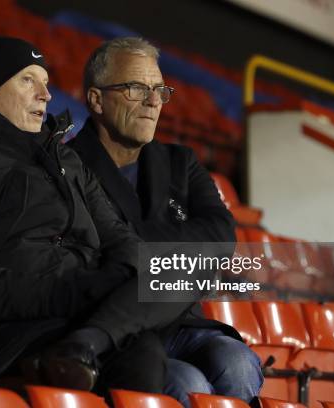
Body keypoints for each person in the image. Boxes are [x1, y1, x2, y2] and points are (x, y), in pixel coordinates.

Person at [0, 33, 189, 396]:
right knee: (154, 360)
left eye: (46, 83)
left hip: (94, 316)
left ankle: (86, 343)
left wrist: (118, 279)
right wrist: (73, 291)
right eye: (27, 79)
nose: (46, 95)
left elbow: (122, 239)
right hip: (20, 333)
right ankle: (86, 345)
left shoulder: (63, 157)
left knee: (179, 274)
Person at [68, 37, 264, 406]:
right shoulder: (69, 165)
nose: (154, 101)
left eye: (159, 90)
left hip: (181, 317)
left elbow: (221, 237)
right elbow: (93, 250)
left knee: (236, 360)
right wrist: (181, 249)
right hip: (115, 325)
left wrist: (135, 243)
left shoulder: (181, 162)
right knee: (187, 380)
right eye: (137, 88)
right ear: (96, 99)